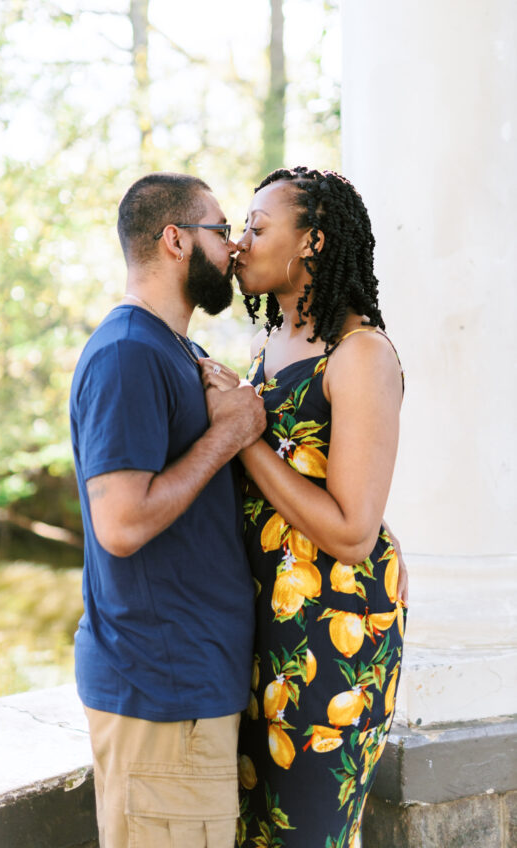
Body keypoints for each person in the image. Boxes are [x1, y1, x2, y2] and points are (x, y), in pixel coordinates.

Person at [201, 167, 407, 848]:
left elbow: (352, 531)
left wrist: (242, 434)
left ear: (313, 242)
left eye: (258, 227)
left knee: (306, 836)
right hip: (264, 626)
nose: (238, 243)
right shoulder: (266, 349)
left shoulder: (361, 356)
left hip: (333, 625)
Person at [69, 172, 267, 848]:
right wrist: (226, 437)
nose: (236, 246)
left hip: (193, 691)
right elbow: (120, 526)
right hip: (161, 695)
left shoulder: (181, 352)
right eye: (222, 229)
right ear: (175, 240)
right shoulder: (128, 355)